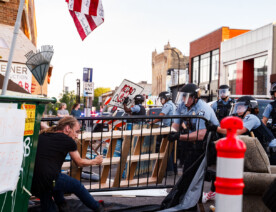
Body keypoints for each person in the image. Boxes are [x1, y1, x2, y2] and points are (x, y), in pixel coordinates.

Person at [31, 116, 104, 212]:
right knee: (76, 185)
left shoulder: (44, 134)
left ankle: (62, 205)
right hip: (49, 178)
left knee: (49, 196)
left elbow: (46, 127)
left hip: (33, 182)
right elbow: (79, 162)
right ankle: (97, 207)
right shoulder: (68, 140)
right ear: (67, 128)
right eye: (76, 131)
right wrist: (95, 161)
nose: (77, 135)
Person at [168, 83, 219, 204]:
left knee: (194, 169)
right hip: (193, 139)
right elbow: (175, 125)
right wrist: (171, 133)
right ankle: (189, 197)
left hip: (209, 141)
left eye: (187, 97)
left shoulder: (203, 109)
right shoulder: (182, 106)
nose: (183, 100)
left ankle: (192, 198)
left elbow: (201, 135)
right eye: (182, 96)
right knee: (190, 168)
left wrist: (178, 136)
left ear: (195, 97)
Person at [210, 96, 276, 165]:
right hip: (267, 151)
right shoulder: (244, 119)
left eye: (240, 107)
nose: (238, 110)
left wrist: (216, 128)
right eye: (237, 107)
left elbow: (236, 132)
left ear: (249, 107)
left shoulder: (252, 117)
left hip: (272, 152)